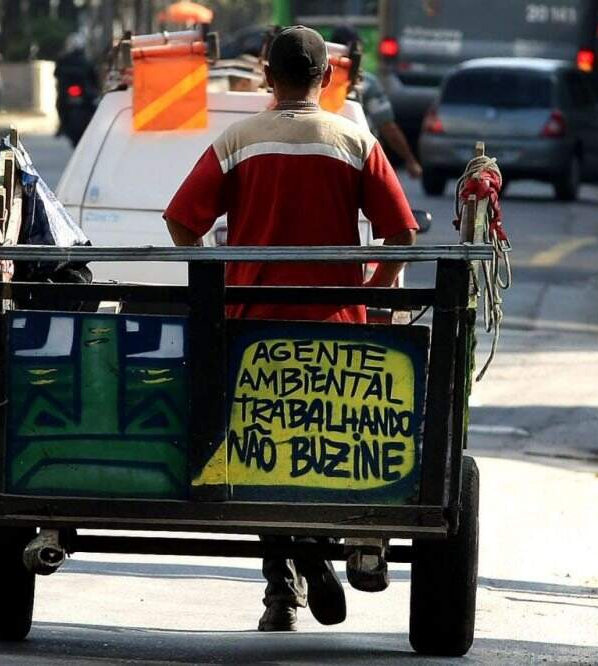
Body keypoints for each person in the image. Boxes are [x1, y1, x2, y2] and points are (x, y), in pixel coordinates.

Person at [163, 26, 418, 632]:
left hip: (252, 328)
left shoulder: (237, 141)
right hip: (337, 330)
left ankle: (285, 589)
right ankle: (314, 550)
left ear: (266, 78)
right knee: (324, 445)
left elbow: (180, 222)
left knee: (261, 451)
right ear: (327, 78)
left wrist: (215, 284)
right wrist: (370, 297)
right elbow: (401, 236)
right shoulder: (354, 142)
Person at [330, 26, 422, 179]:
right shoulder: (366, 84)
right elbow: (388, 126)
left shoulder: (316, 79)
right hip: (359, 160)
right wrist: (410, 160)